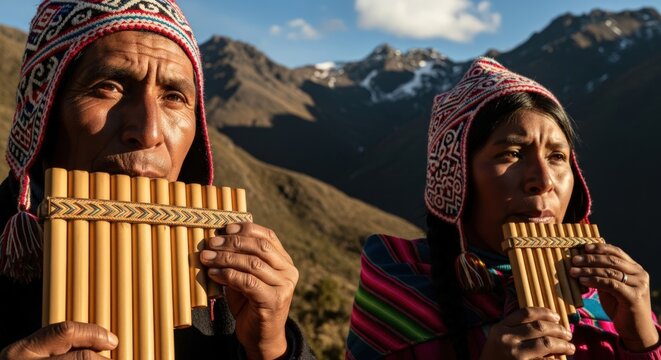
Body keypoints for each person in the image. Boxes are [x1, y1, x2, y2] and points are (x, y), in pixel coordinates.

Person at [0, 1, 313, 359]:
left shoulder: (220, 280)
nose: (148, 132)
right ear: (43, 110)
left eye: (174, 97)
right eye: (109, 87)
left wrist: (272, 348)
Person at [346, 57, 661, 359]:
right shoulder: (399, 288)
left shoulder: (608, 300)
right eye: (511, 154)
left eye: (557, 157)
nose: (542, 180)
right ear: (456, 177)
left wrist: (643, 342)